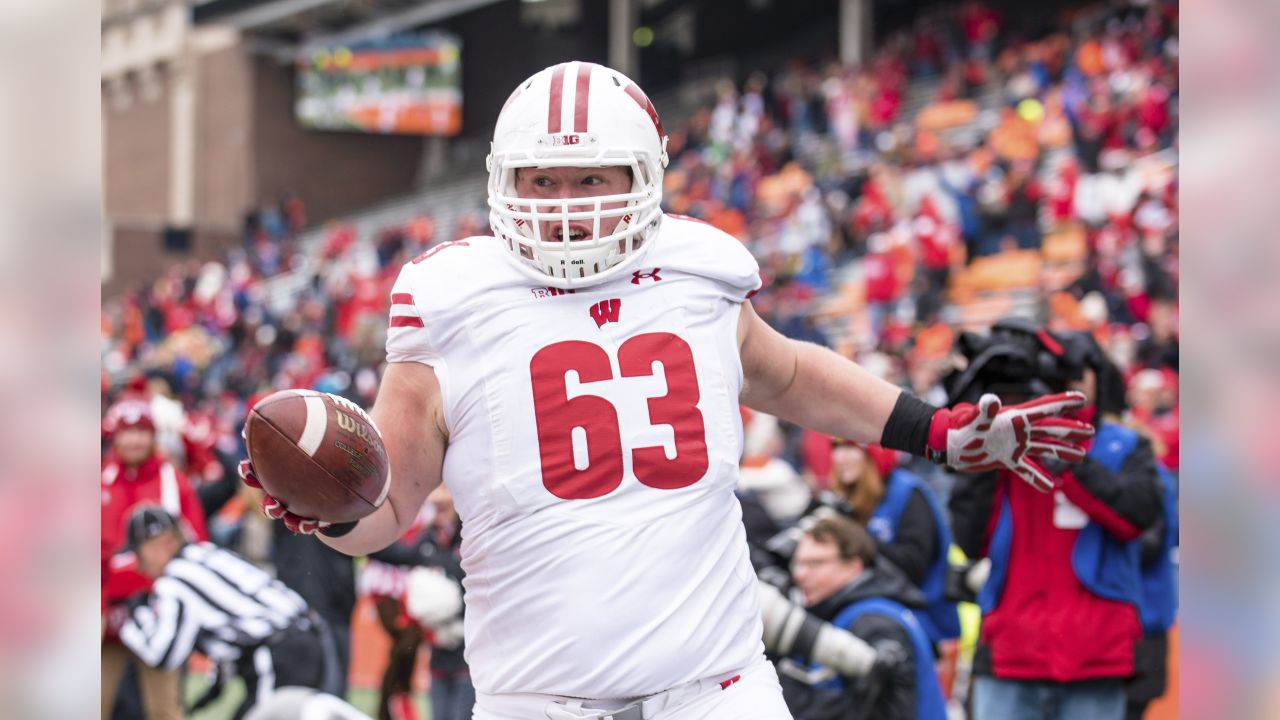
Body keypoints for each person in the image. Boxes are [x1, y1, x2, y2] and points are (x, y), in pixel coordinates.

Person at [239, 61, 1093, 720]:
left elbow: (789, 373)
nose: (565, 206)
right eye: (541, 181)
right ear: (505, 182)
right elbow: (389, 509)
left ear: (644, 174)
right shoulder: (450, 299)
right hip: (542, 701)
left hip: (717, 689)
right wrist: (333, 509)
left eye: (591, 178)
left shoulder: (697, 266)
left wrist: (937, 431)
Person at [948, 329, 1163, 720]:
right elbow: (972, 537)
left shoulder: (1127, 446)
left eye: (1077, 374)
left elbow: (1139, 519)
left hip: (1094, 656)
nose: (1067, 386)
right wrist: (981, 445)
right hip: (1012, 652)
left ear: (1099, 376)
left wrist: (1069, 459)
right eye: (1059, 377)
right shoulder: (1010, 440)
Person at [116, 506, 342, 720]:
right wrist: (218, 683)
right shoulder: (206, 553)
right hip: (308, 641)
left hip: (281, 653)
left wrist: (132, 617)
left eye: (139, 553)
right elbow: (236, 626)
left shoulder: (177, 578)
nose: (139, 565)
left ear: (163, 542)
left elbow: (163, 656)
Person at [761, 515, 947, 720]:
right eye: (798, 563)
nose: (800, 575)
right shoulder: (862, 609)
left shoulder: (875, 622)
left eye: (815, 563)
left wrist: (790, 691)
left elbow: (886, 712)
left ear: (853, 566)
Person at [101, 396, 208, 720]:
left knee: (164, 709)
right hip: (107, 613)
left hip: (158, 607)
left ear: (153, 435)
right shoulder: (99, 478)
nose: (134, 439)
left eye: (141, 431)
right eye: (127, 431)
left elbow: (196, 543)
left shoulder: (173, 481)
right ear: (115, 435)